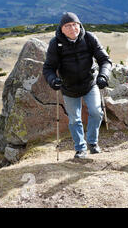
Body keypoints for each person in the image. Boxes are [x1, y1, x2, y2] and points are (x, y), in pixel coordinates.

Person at [43, 12, 112, 159]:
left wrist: (103, 75)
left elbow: (105, 60)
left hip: (89, 83)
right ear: (61, 29)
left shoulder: (89, 38)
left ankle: (92, 143)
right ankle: (80, 149)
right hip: (68, 87)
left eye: (75, 24)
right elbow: (48, 68)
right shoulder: (55, 44)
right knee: (75, 119)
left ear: (80, 25)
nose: (72, 28)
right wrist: (53, 80)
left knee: (96, 112)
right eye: (68, 26)